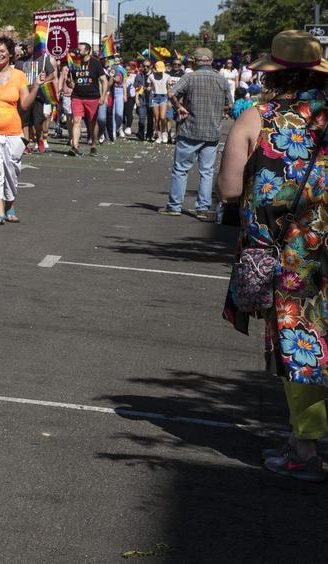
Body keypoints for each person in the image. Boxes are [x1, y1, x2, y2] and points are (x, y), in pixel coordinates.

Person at [217, 30, 328, 483]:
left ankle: (305, 448)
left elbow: (226, 189)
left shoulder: (255, 118)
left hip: (288, 255)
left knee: (299, 344)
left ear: (274, 73)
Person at [0, 36, 49, 225]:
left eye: (2, 51)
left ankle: (9, 206)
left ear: (10, 54)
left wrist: (37, 86)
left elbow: (24, 104)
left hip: (14, 132)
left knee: (11, 171)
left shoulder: (19, 76)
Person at [158, 48, 229, 220]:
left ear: (195, 62)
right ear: (211, 61)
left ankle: (175, 206)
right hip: (212, 131)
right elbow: (229, 105)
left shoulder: (190, 77)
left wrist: (179, 107)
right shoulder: (222, 79)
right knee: (207, 171)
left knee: (181, 169)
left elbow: (171, 94)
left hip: (190, 129)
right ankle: (203, 208)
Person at [65, 42, 106, 156]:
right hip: (77, 96)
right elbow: (70, 80)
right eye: (77, 49)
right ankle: (75, 146)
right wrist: (69, 82)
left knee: (92, 122)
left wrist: (102, 96)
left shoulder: (95, 64)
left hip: (92, 97)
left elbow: (104, 80)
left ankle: (93, 145)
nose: (78, 51)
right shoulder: (74, 62)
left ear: (87, 51)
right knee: (77, 120)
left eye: (81, 49)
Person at [149, 60, 170, 143]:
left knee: (162, 117)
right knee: (156, 118)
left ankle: (164, 133)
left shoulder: (167, 76)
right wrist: (149, 88)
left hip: (164, 97)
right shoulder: (151, 76)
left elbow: (169, 89)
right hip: (154, 97)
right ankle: (159, 135)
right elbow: (150, 86)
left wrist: (170, 100)